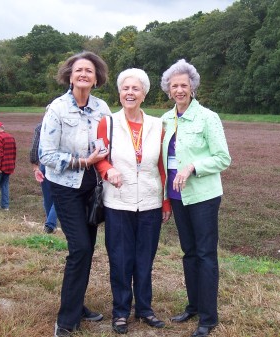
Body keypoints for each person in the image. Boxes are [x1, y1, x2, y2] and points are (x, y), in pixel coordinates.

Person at [38, 51, 112, 337]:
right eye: (79, 70)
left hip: (92, 189)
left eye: (89, 71)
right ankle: (66, 321)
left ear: (96, 78)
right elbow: (46, 154)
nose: (84, 74)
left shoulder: (101, 108)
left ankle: (77, 303)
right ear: (70, 75)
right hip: (65, 188)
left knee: (86, 249)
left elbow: (108, 144)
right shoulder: (56, 109)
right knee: (80, 247)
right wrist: (83, 162)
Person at [95, 68, 171, 334]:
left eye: (135, 89)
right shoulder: (108, 123)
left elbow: (161, 165)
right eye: (126, 88)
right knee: (120, 259)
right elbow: (99, 157)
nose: (130, 93)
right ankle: (120, 312)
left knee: (144, 259)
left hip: (150, 202)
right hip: (118, 202)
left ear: (144, 94)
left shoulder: (157, 125)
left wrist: (165, 201)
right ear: (119, 93)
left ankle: (145, 309)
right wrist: (108, 170)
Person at [160, 59, 231, 337]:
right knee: (188, 253)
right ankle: (193, 305)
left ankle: (208, 317)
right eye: (174, 85)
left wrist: (193, 167)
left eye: (184, 85)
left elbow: (223, 158)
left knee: (205, 254)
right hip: (178, 197)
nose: (179, 90)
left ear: (193, 87)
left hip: (203, 196)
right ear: (168, 89)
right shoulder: (166, 119)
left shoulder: (207, 117)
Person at [29, 122, 58, 234]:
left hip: (45, 164)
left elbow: (34, 148)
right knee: (60, 195)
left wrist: (35, 166)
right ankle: (50, 224)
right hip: (60, 164)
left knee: (48, 196)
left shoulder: (40, 127)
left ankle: (50, 224)